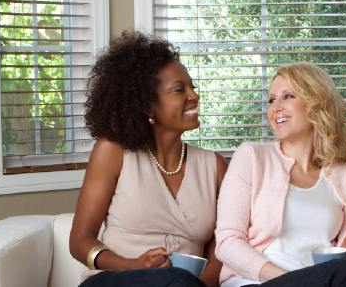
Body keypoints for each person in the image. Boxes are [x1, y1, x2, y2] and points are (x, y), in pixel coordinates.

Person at [69, 30, 227, 287]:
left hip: (185, 285)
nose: (194, 96)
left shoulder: (215, 166)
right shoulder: (113, 152)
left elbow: (223, 247)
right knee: (174, 278)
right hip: (116, 280)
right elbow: (80, 240)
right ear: (146, 105)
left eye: (192, 87)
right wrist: (131, 265)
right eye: (179, 89)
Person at [214, 62, 346, 287]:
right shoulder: (251, 157)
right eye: (271, 100)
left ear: (317, 103)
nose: (275, 107)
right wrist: (292, 281)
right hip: (256, 281)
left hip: (323, 280)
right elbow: (227, 242)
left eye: (287, 96)